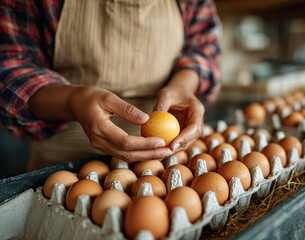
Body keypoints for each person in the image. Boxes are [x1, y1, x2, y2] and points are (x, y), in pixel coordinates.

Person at [0, 0, 221, 171]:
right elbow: (10, 66)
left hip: (165, 161)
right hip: (64, 161)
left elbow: (203, 46)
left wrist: (183, 85)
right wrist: (74, 101)